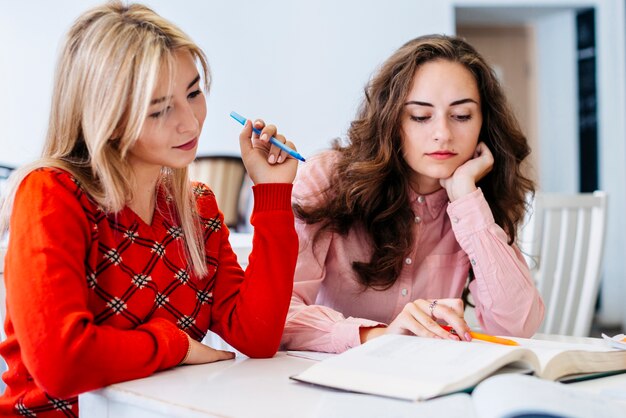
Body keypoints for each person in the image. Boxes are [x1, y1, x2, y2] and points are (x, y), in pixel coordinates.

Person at [0, 1, 299, 416]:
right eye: (159, 109)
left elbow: (257, 336)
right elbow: (61, 364)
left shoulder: (196, 207)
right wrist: (172, 345)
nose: (191, 124)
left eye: (194, 93)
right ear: (107, 116)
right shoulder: (52, 194)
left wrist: (272, 193)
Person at [281, 34, 545, 354]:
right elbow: (277, 314)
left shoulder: (476, 195)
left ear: (483, 123)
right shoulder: (327, 179)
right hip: (331, 378)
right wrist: (376, 337)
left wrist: (466, 200)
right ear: (391, 119)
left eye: (461, 116)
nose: (443, 135)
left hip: (428, 386)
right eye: (420, 116)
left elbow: (518, 325)